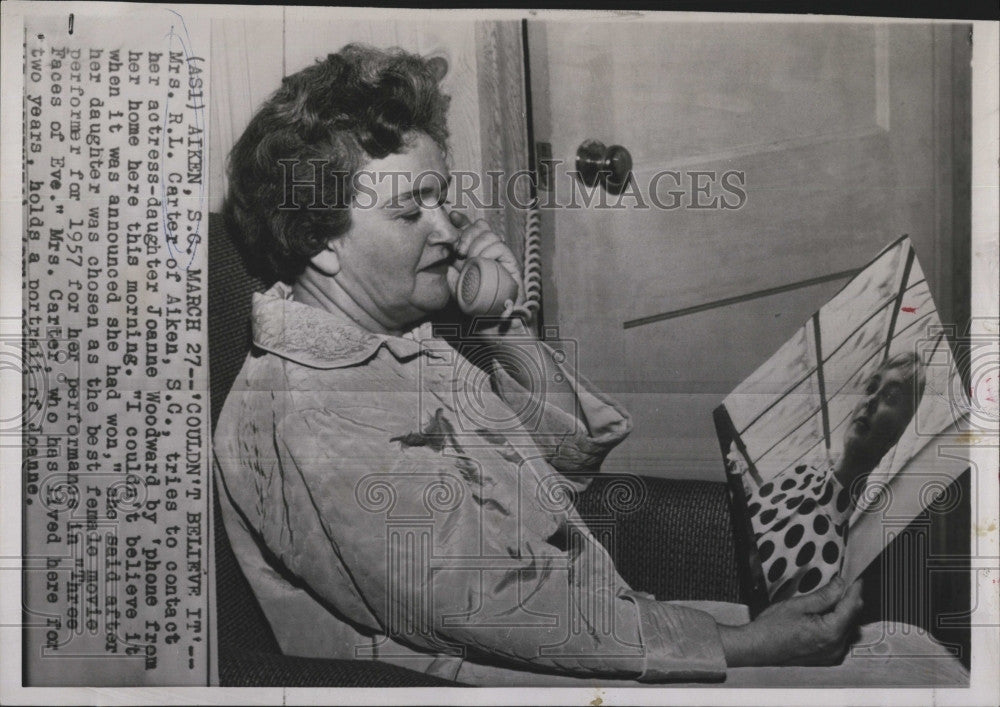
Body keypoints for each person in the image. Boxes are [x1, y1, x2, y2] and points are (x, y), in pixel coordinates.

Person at [213, 44, 962, 686]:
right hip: (505, 676)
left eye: (444, 199)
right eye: (412, 211)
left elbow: (563, 469)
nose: (448, 230)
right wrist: (744, 643)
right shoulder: (312, 405)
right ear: (321, 239)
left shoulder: (387, 341)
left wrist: (501, 323)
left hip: (595, 631)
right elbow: (484, 602)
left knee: (909, 652)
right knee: (909, 669)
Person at [730, 353, 926, 602]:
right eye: (871, 387)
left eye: (890, 397)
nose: (872, 399)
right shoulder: (800, 475)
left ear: (898, 434)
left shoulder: (846, 554)